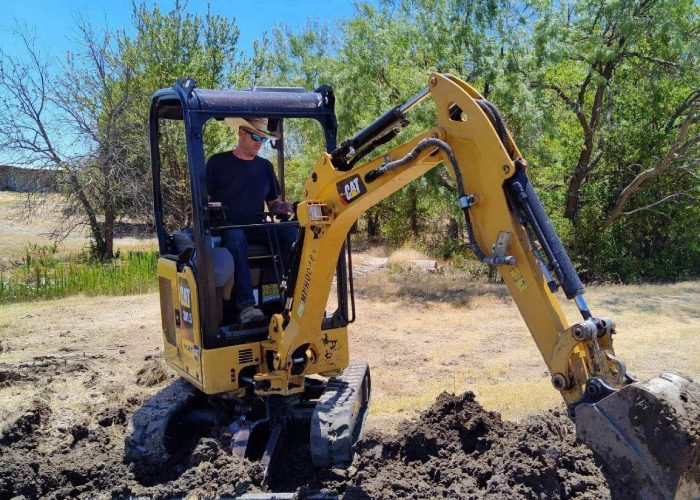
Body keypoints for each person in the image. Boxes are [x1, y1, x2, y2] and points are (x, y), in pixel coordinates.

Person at [206, 117, 298, 325]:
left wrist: (287, 207)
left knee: (292, 232)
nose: (259, 143)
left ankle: (289, 295)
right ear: (240, 132)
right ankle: (246, 306)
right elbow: (207, 202)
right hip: (229, 227)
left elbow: (273, 204)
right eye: (255, 136)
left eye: (263, 139)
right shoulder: (217, 163)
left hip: (257, 225)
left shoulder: (265, 167)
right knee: (236, 237)